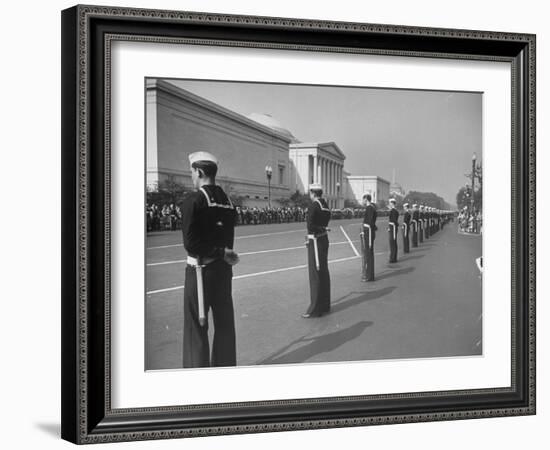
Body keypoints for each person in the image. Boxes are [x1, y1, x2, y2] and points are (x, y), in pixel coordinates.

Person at [181, 151, 240, 368]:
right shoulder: (228, 201)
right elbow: (228, 239)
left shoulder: (194, 200)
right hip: (223, 271)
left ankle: (197, 379)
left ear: (200, 171)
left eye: (192, 172)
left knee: (196, 328)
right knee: (224, 324)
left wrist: (217, 253)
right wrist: (222, 253)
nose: (191, 176)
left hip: (200, 271)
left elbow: (191, 244)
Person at [303, 183, 331, 318]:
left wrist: (317, 230)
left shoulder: (314, 205)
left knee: (315, 274)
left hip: (315, 240)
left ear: (313, 193)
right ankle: (325, 304)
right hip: (324, 239)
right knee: (324, 272)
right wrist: (323, 228)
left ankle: (315, 308)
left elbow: (310, 225)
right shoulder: (325, 205)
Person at [361, 193, 377, 281]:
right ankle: (370, 275)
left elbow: (370, 222)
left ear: (366, 199)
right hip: (369, 231)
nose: (362, 201)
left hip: (369, 232)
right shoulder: (371, 207)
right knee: (368, 253)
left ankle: (369, 276)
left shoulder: (370, 208)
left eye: (363, 199)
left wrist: (365, 229)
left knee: (368, 254)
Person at [388, 198, 399, 263]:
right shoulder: (393, 211)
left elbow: (394, 221)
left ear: (392, 203)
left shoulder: (393, 211)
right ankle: (393, 257)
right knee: (393, 243)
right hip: (392, 227)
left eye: (390, 203)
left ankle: (393, 258)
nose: (389, 204)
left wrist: (391, 225)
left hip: (393, 228)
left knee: (393, 243)